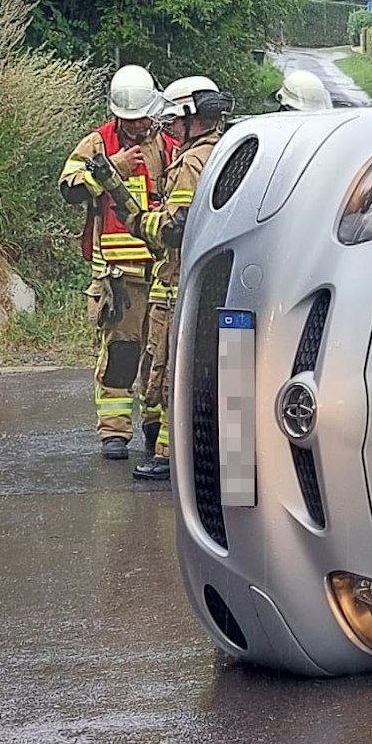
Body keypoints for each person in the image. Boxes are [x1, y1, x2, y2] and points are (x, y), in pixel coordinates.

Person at [58, 65, 177, 460]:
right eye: (129, 118)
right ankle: (114, 432)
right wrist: (113, 170)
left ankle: (154, 427)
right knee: (122, 353)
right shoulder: (98, 143)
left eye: (142, 116)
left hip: (161, 271)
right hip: (118, 275)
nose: (137, 124)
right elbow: (69, 189)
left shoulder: (169, 146)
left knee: (158, 356)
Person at [132, 76, 233, 481]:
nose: (169, 127)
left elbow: (177, 227)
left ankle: (167, 456)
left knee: (168, 368)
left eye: (175, 120)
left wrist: (142, 221)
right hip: (215, 279)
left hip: (179, 282)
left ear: (194, 118)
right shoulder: (225, 149)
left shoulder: (192, 162)